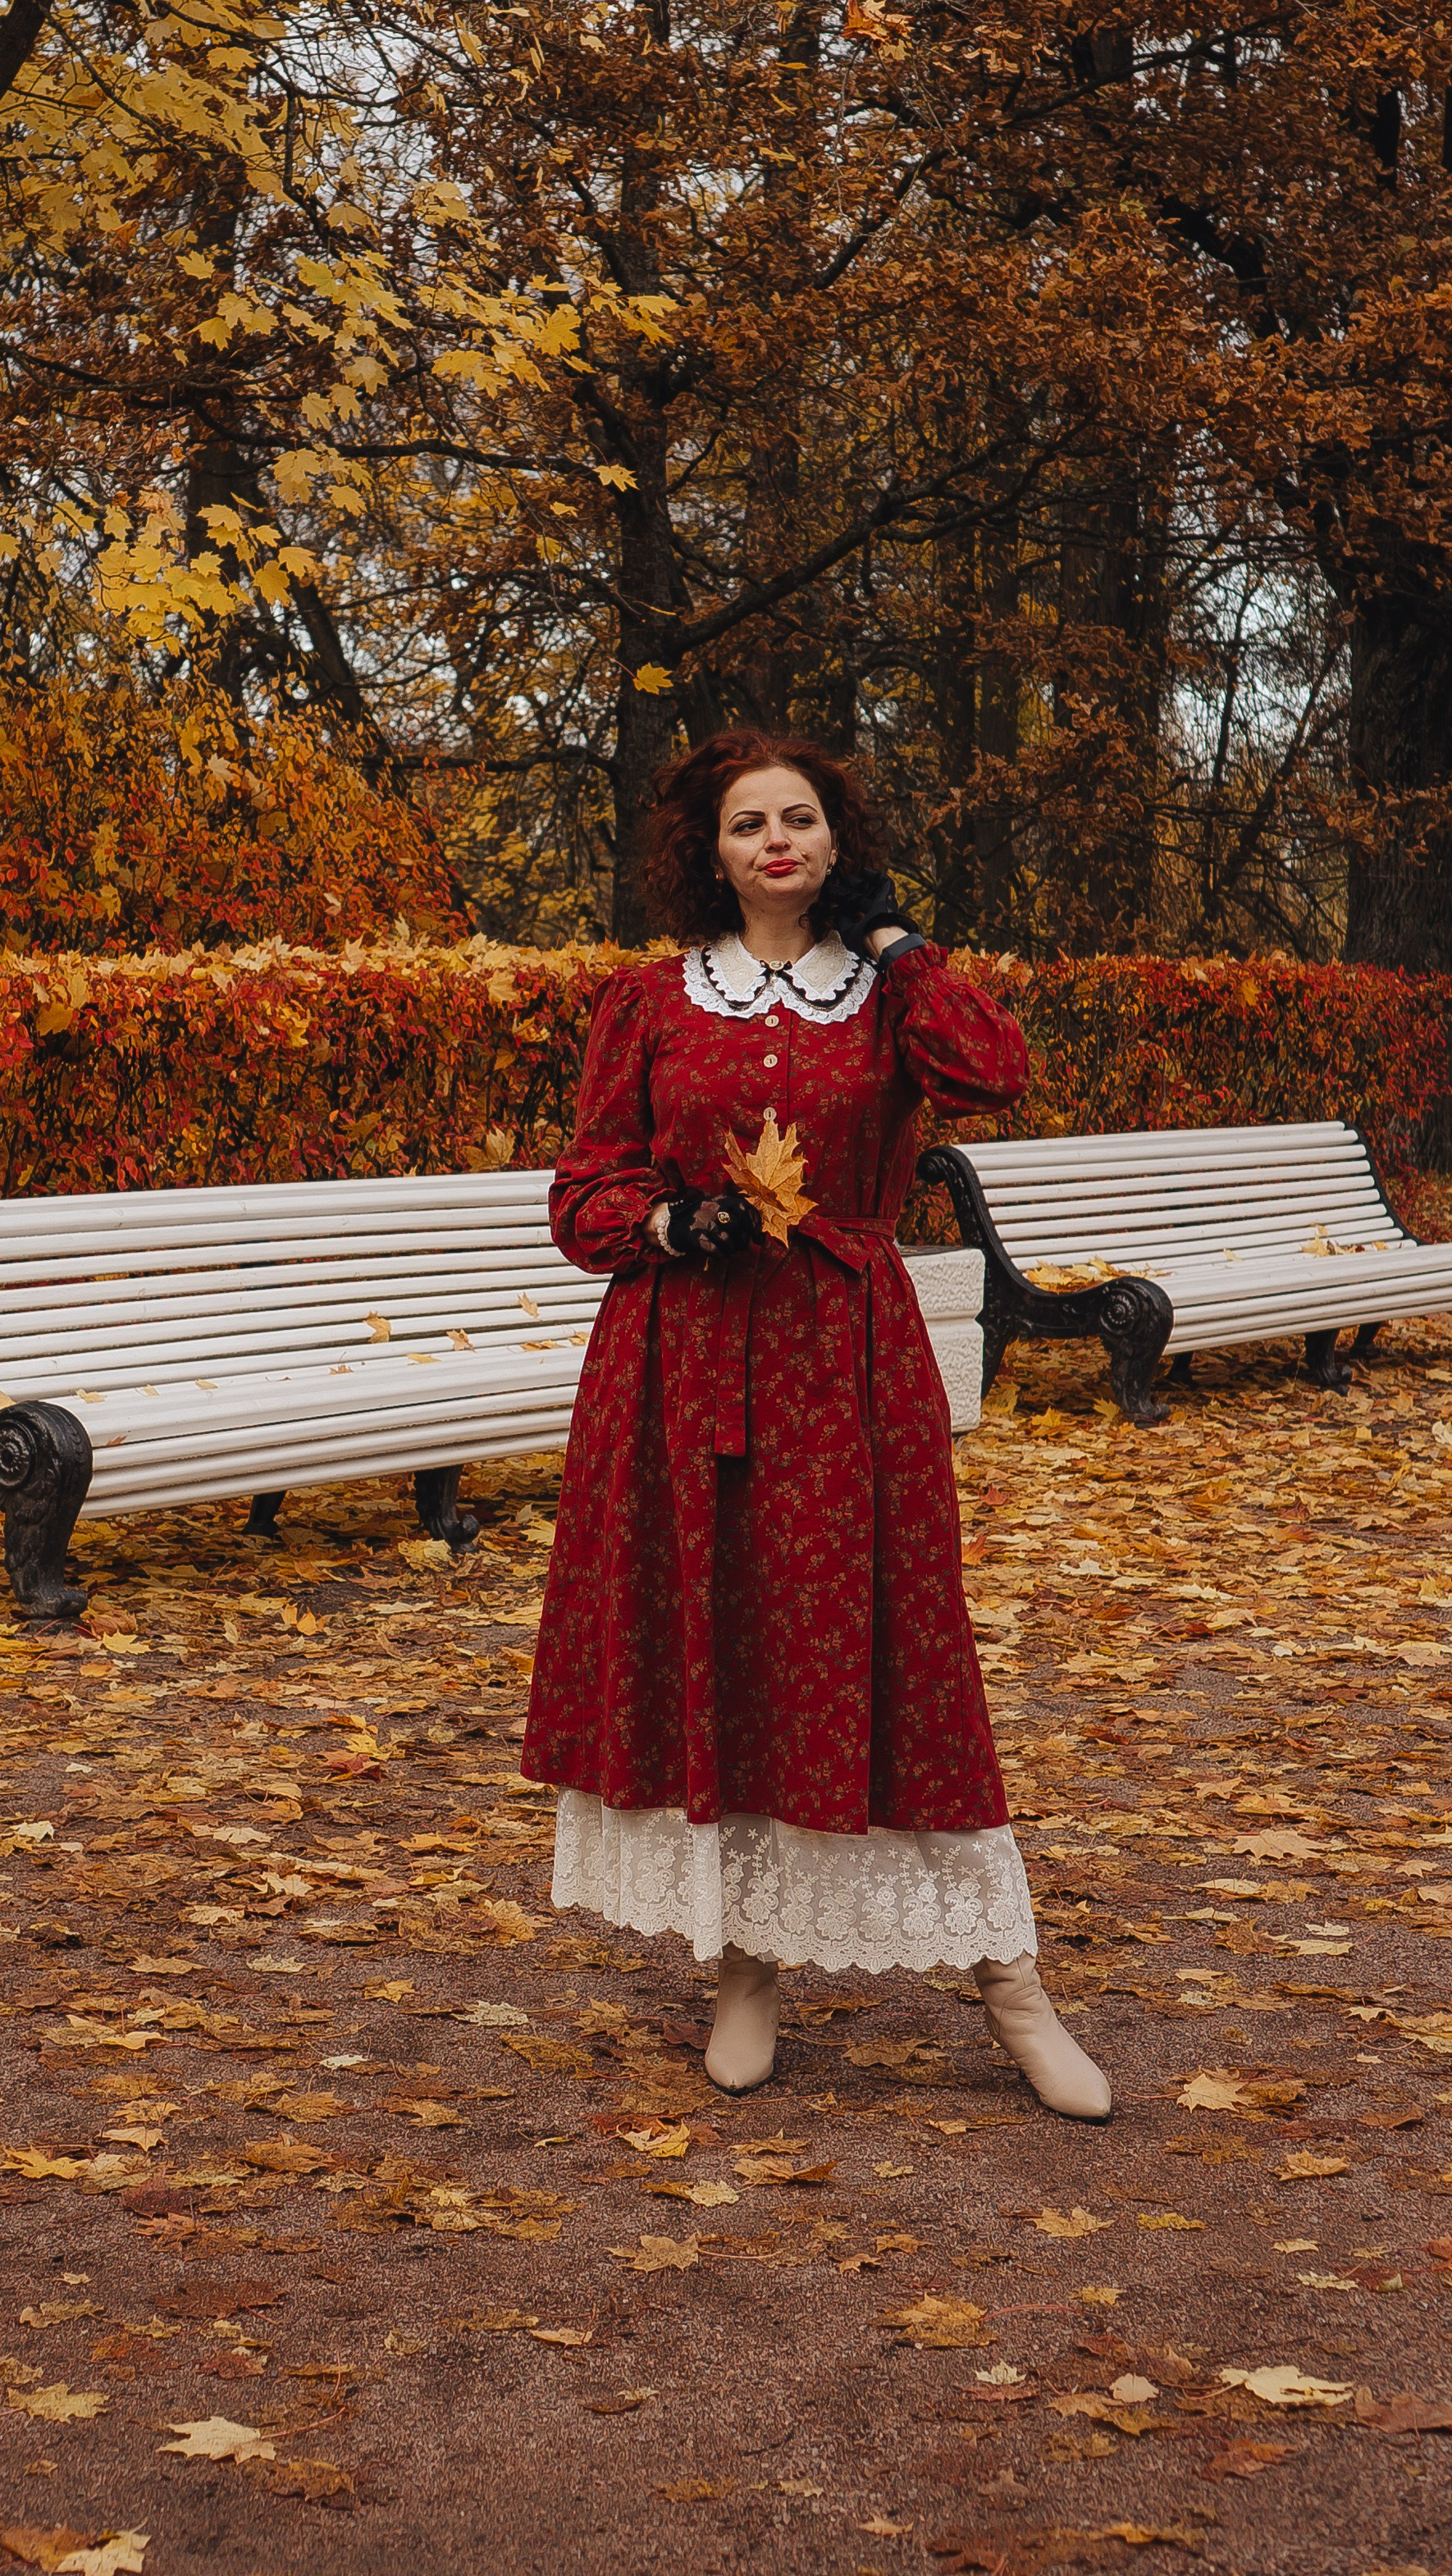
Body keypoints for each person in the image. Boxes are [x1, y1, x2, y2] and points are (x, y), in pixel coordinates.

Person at [520, 728, 1108, 2117]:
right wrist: (671, 1217)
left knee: (897, 1654)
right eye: (747, 825)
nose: (774, 842)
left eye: (799, 820)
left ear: (835, 842)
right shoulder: (652, 1002)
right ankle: (746, 1970)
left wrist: (897, 944)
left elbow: (995, 1073)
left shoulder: (892, 997)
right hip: (684, 1360)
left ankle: (1011, 1984)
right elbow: (582, 1197)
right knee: (724, 1645)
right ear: (709, 852)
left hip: (845, 1358)